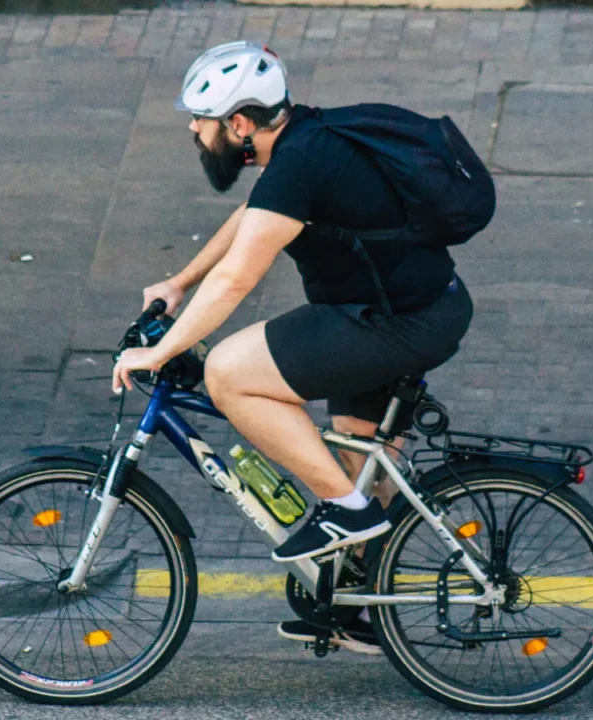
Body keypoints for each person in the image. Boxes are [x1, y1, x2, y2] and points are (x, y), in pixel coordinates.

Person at [111, 41, 474, 654]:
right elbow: (252, 219)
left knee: (229, 373)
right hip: (407, 306)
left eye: (200, 121)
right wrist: (177, 284)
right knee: (358, 466)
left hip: (396, 322)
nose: (193, 131)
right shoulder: (301, 142)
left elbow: (237, 280)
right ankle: (360, 601)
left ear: (240, 125)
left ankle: (347, 513)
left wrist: (159, 350)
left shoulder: (303, 161)